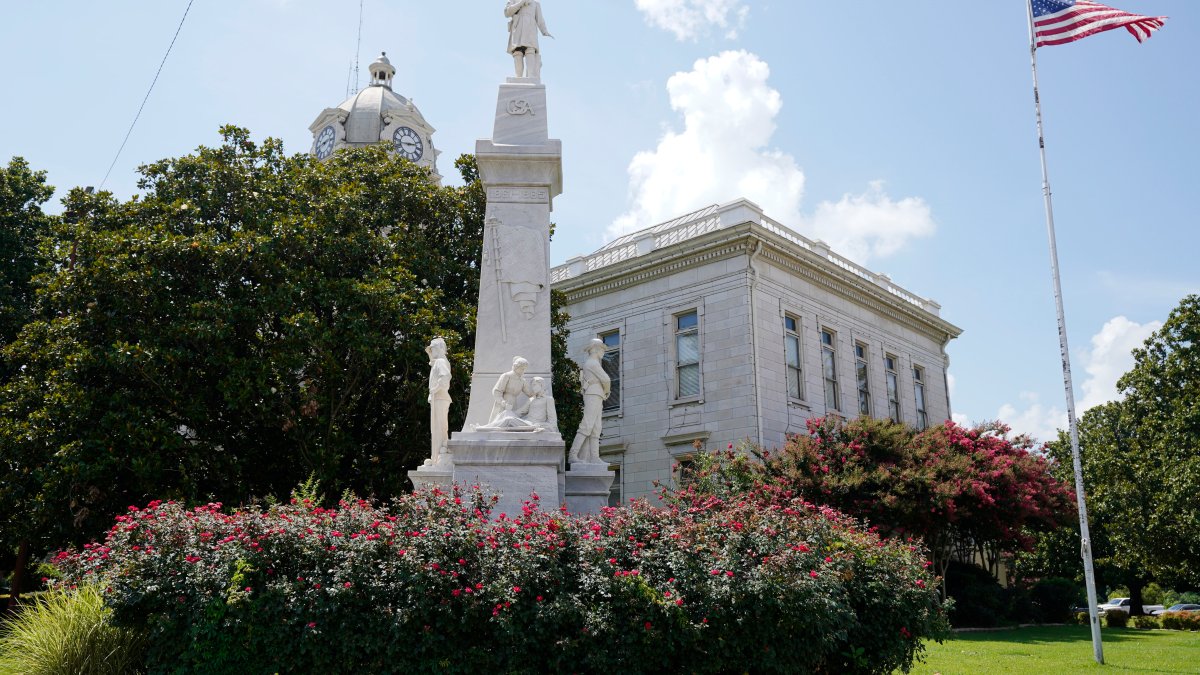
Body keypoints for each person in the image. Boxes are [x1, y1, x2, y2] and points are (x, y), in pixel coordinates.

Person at [569, 339, 610, 465]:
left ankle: (594, 457)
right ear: (596, 349)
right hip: (593, 393)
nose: (603, 351)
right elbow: (606, 379)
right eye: (602, 349)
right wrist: (607, 391)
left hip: (596, 394)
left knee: (596, 427)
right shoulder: (592, 363)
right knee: (587, 425)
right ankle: (573, 454)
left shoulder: (592, 362)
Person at [505, 0, 553, 79]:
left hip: (530, 30)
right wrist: (521, 2)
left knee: (530, 51)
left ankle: (531, 76)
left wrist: (544, 31)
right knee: (517, 52)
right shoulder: (513, 1)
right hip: (517, 28)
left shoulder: (535, 3)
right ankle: (518, 77)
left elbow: (540, 20)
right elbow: (507, 12)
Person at [425, 338, 452, 467]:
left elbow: (445, 376)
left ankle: (438, 457)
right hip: (439, 398)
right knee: (437, 427)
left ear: (440, 349)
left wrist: (435, 388)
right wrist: (429, 354)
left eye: (433, 348)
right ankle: (436, 456)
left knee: (438, 427)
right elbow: (433, 363)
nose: (432, 350)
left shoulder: (441, 362)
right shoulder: (440, 361)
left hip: (440, 397)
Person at [490, 356, 531, 424]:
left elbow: (529, 393)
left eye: (524, 369)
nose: (523, 371)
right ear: (515, 367)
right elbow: (497, 391)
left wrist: (539, 393)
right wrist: (502, 402)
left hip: (514, 403)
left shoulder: (522, 380)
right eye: (521, 369)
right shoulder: (506, 376)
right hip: (503, 402)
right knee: (499, 422)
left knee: (512, 422)